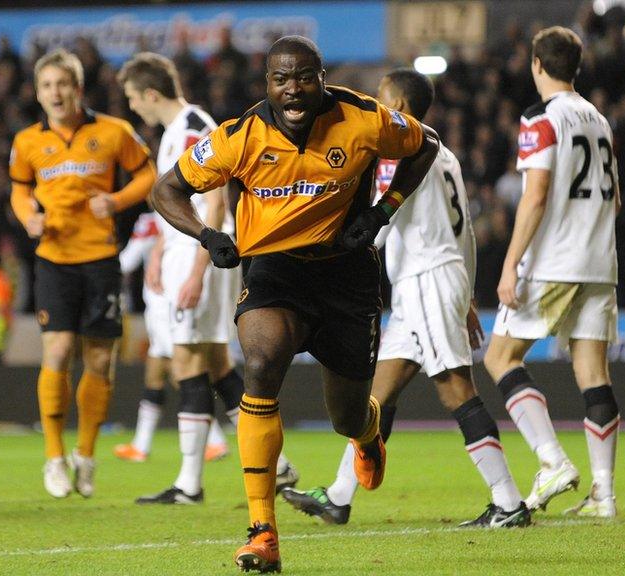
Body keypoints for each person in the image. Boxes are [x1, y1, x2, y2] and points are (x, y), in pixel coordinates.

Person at [151, 36, 439, 573]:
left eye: (305, 76)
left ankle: (368, 432)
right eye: (282, 79)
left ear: (321, 77)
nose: (294, 89)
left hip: (346, 276)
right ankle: (263, 530)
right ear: (267, 85)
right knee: (259, 365)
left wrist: (382, 212)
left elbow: (427, 145)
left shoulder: (364, 117)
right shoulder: (237, 138)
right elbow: (166, 190)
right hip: (274, 273)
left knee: (345, 416)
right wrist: (207, 235)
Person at [281, 70, 530, 528]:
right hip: (434, 279)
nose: (376, 104)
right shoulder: (444, 152)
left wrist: (329, 264)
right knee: (375, 397)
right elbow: (466, 232)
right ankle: (339, 495)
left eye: (381, 97)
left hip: (426, 279)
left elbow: (378, 223)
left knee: (456, 388)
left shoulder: (402, 145)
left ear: (398, 101)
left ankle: (509, 502)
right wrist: (468, 293)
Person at [117, 52, 298, 505]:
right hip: (182, 250)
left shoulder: (194, 125)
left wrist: (198, 266)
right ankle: (278, 466)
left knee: (186, 364)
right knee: (216, 364)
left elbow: (216, 193)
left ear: (151, 94)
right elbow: (174, 200)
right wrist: (158, 249)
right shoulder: (177, 131)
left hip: (199, 253)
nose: (133, 107)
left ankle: (189, 483)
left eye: (133, 99)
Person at [483, 26, 621, 519]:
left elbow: (535, 195)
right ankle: (603, 496)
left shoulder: (541, 118)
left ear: (537, 64)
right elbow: (616, 199)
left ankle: (552, 460)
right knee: (592, 374)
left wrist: (510, 263)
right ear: (576, 66)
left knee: (500, 357)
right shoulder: (600, 120)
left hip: (555, 260)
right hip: (599, 259)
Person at [9, 49, 157, 499]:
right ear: (38, 93)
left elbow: (147, 174)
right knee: (56, 350)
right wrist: (28, 218)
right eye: (47, 86)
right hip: (54, 258)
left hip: (100, 258)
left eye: (63, 84)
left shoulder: (114, 131)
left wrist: (114, 201)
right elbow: (19, 190)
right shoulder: (27, 142)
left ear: (78, 88)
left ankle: (85, 456)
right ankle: (53, 457)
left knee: (98, 359)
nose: (55, 93)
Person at [113, 210, 232, 464]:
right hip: (161, 304)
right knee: (157, 373)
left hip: (166, 304)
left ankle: (215, 440)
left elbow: (127, 262)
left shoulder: (152, 220)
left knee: (183, 371)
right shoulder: (174, 216)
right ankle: (141, 444)